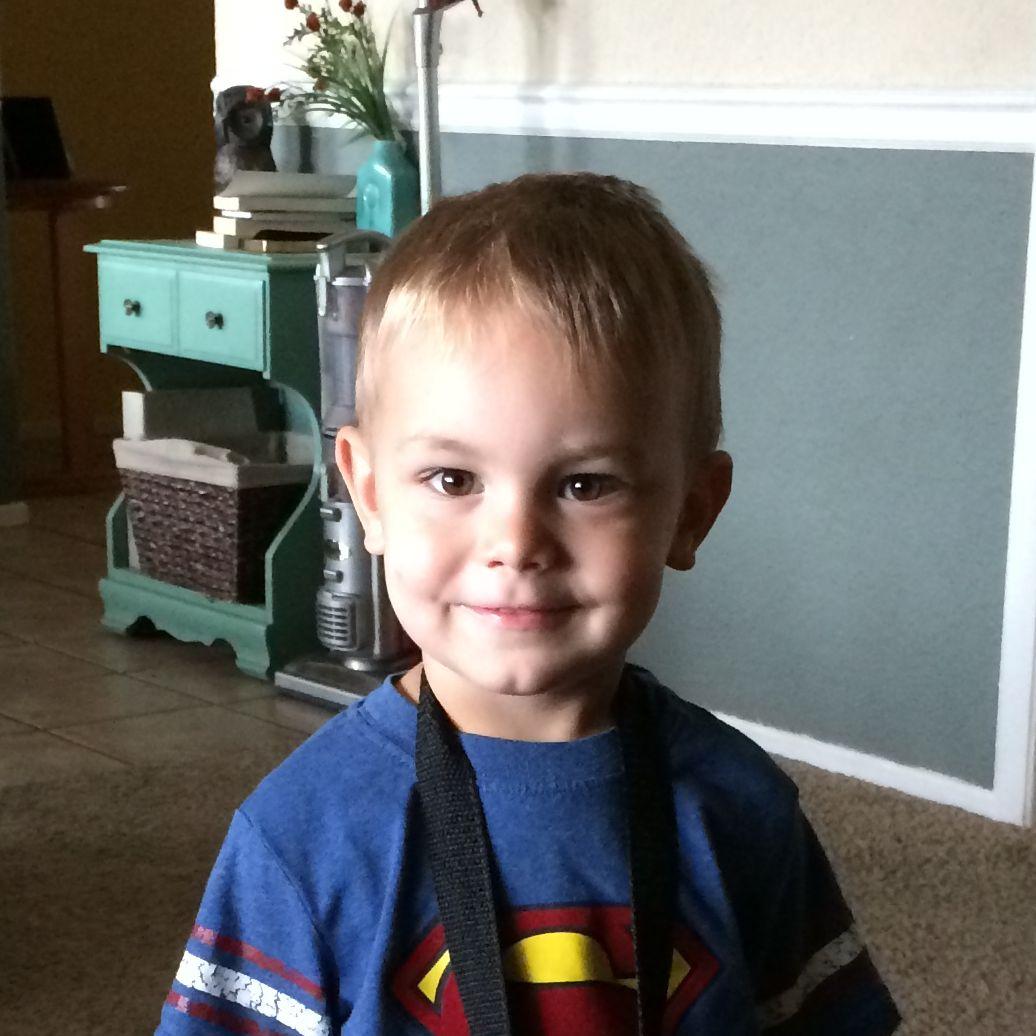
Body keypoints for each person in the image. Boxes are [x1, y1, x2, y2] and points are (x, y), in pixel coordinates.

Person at [155, 172, 901, 1035]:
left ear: (692, 511)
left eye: (586, 484)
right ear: (369, 495)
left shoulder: (742, 807)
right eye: (452, 479)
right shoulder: (301, 834)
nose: (515, 542)